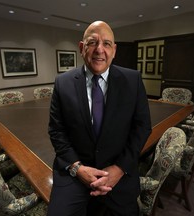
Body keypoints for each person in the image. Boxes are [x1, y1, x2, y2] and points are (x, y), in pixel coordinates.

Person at [47, 20, 152, 216]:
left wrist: (119, 168)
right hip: (75, 172)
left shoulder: (133, 80)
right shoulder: (63, 83)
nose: (99, 50)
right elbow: (56, 130)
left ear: (114, 50)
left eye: (107, 43)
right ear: (81, 47)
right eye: (92, 42)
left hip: (118, 172)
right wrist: (77, 168)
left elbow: (142, 127)